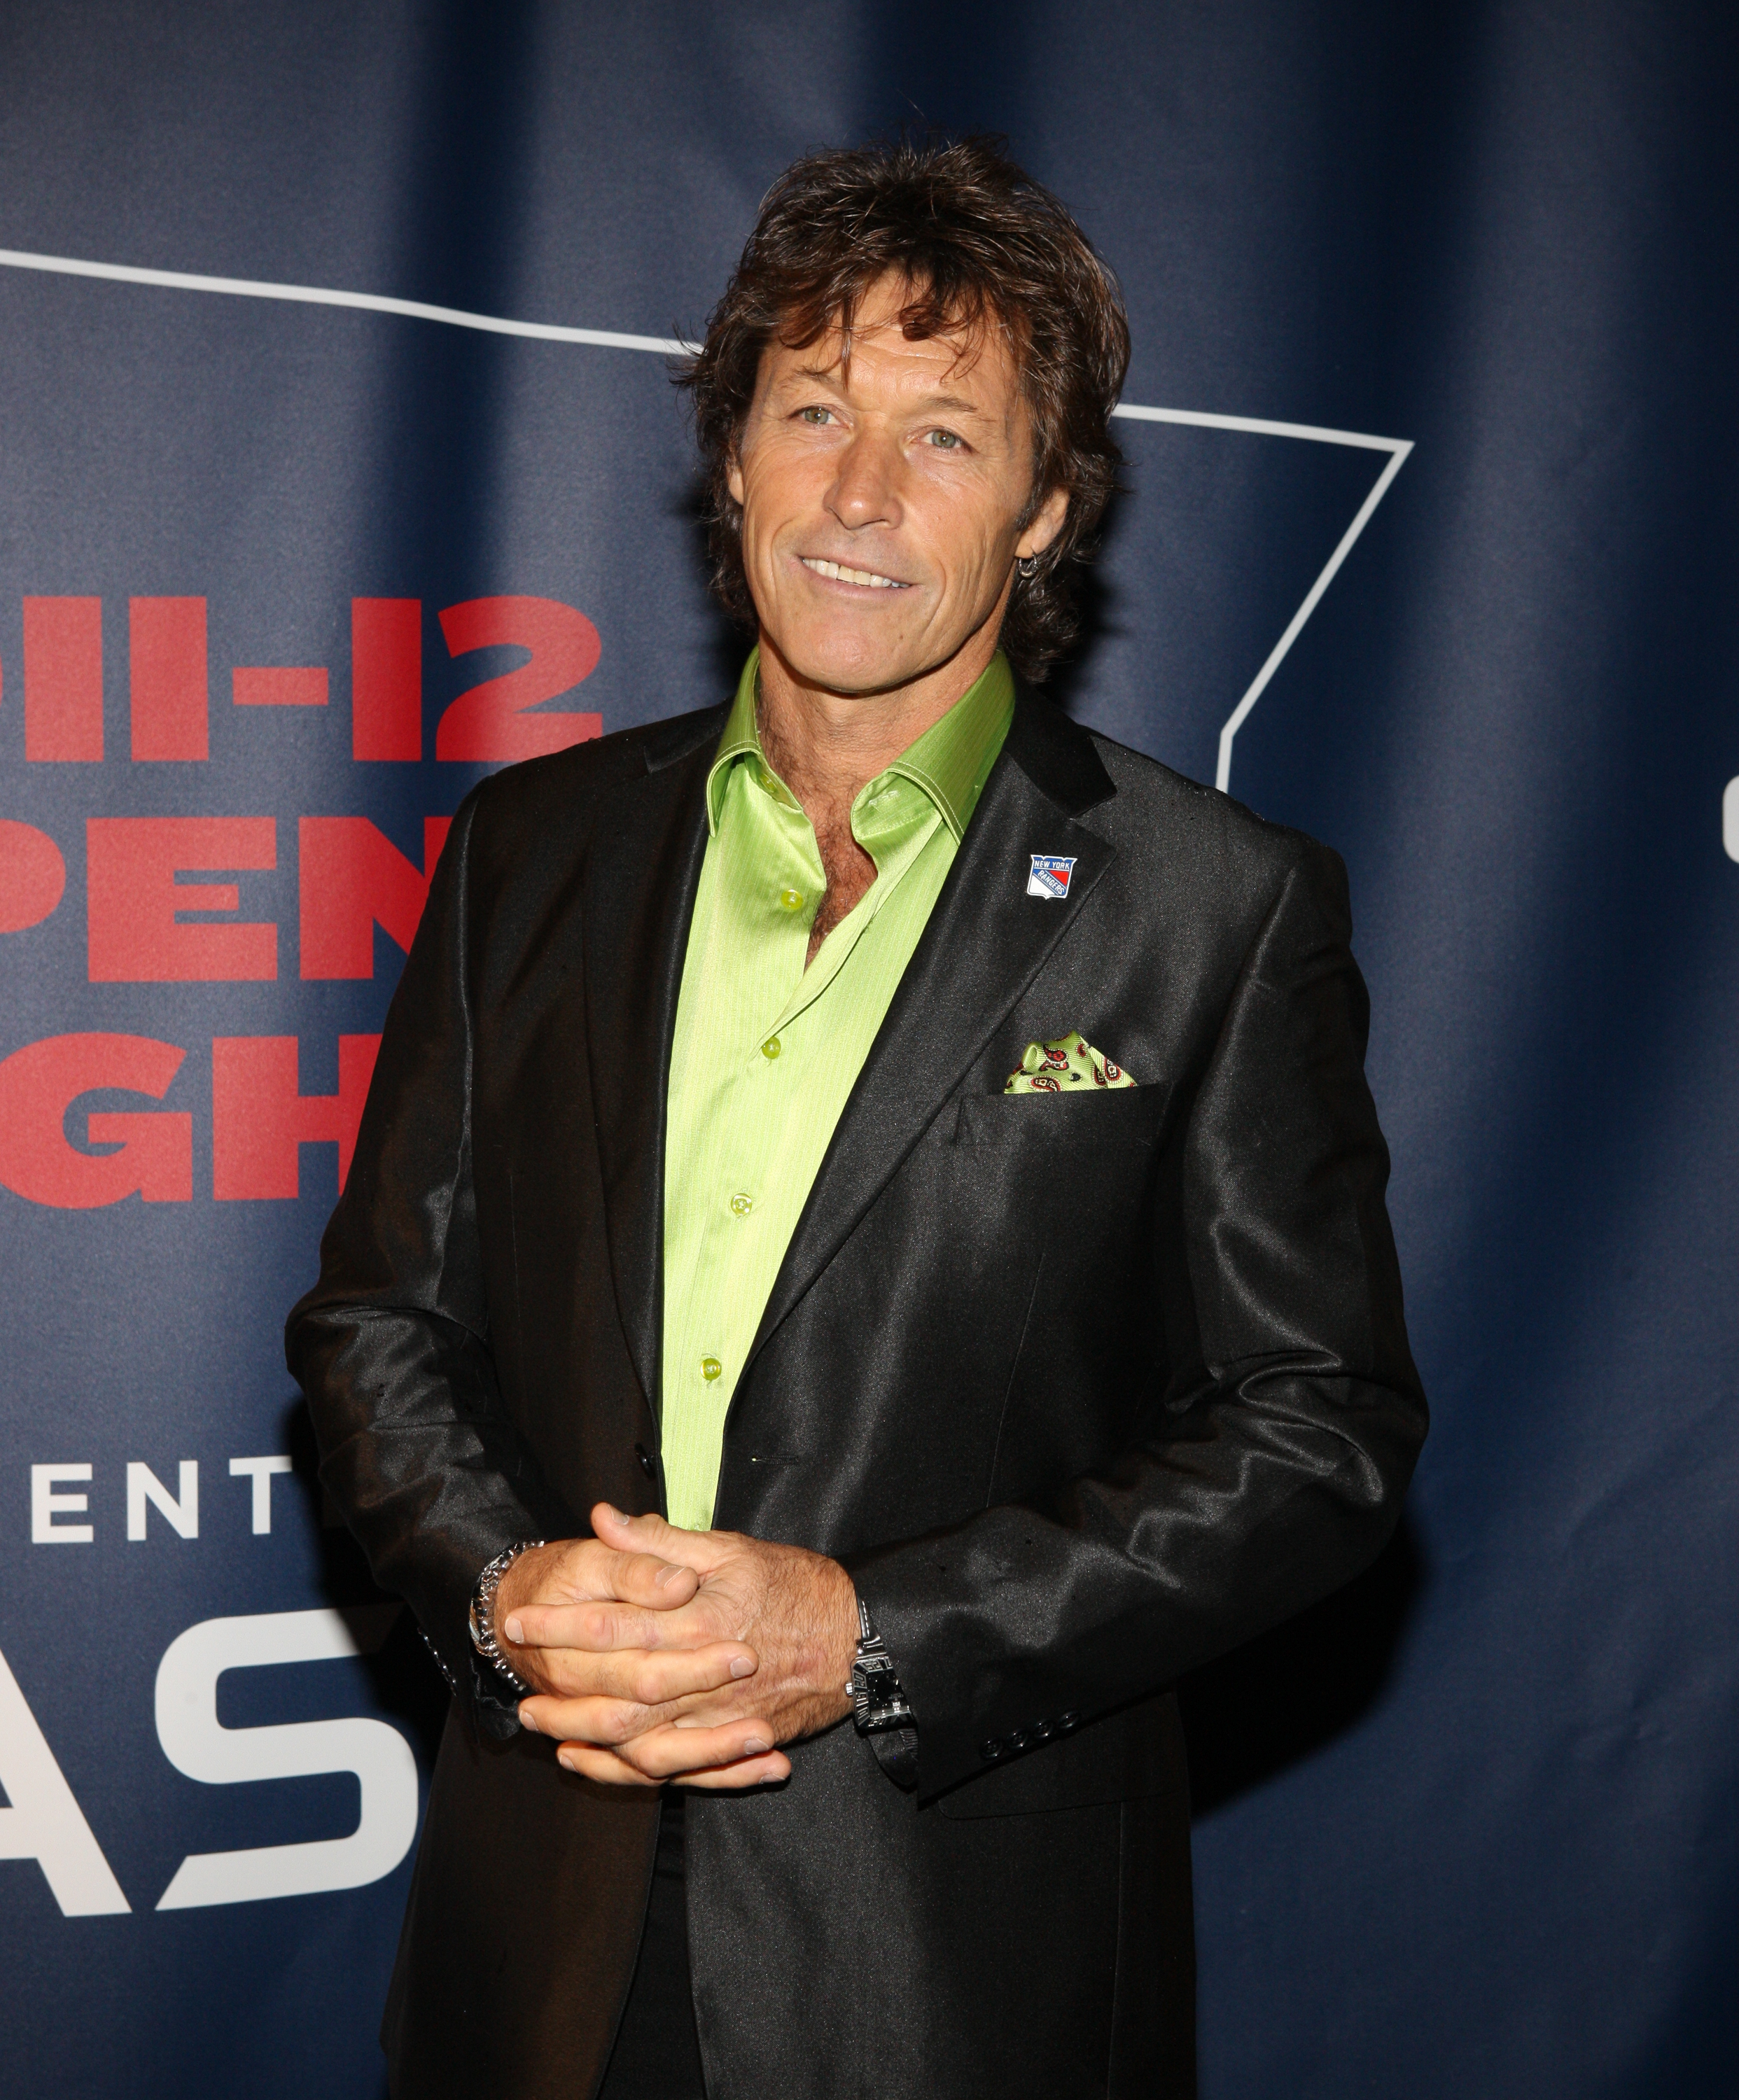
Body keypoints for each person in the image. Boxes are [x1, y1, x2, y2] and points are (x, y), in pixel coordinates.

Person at [287, 135, 1426, 2100]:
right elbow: (378, 1325)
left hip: (955, 1976)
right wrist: (505, 1594)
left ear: (1047, 510)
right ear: (731, 458)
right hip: (536, 1949)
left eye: (947, 437)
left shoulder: (1211, 907)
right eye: (812, 409)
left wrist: (871, 1635)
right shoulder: (530, 850)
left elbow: (1317, 1432)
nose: (861, 494)